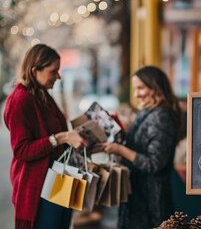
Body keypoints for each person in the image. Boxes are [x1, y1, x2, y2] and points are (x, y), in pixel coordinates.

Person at [3, 44, 89, 229]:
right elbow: (22, 150)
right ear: (35, 71)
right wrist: (62, 137)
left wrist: (78, 139)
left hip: (58, 180)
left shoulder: (42, 95)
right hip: (38, 187)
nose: (58, 76)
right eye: (53, 71)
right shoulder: (19, 100)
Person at [93, 66, 182, 229]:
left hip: (151, 201)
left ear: (156, 87)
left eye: (141, 88)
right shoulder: (149, 112)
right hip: (138, 196)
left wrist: (120, 150)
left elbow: (154, 163)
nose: (136, 94)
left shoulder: (162, 116)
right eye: (135, 89)